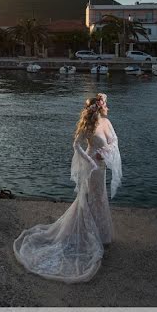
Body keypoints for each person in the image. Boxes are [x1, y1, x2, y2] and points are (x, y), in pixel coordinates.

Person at [13, 93, 122, 283]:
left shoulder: (106, 122)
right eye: (102, 104)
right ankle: (85, 234)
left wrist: (105, 153)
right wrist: (91, 160)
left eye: (103, 104)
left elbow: (115, 140)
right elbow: (76, 145)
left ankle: (100, 234)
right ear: (95, 108)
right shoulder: (88, 126)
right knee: (89, 198)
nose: (104, 106)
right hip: (92, 168)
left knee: (99, 197)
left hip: (101, 166)